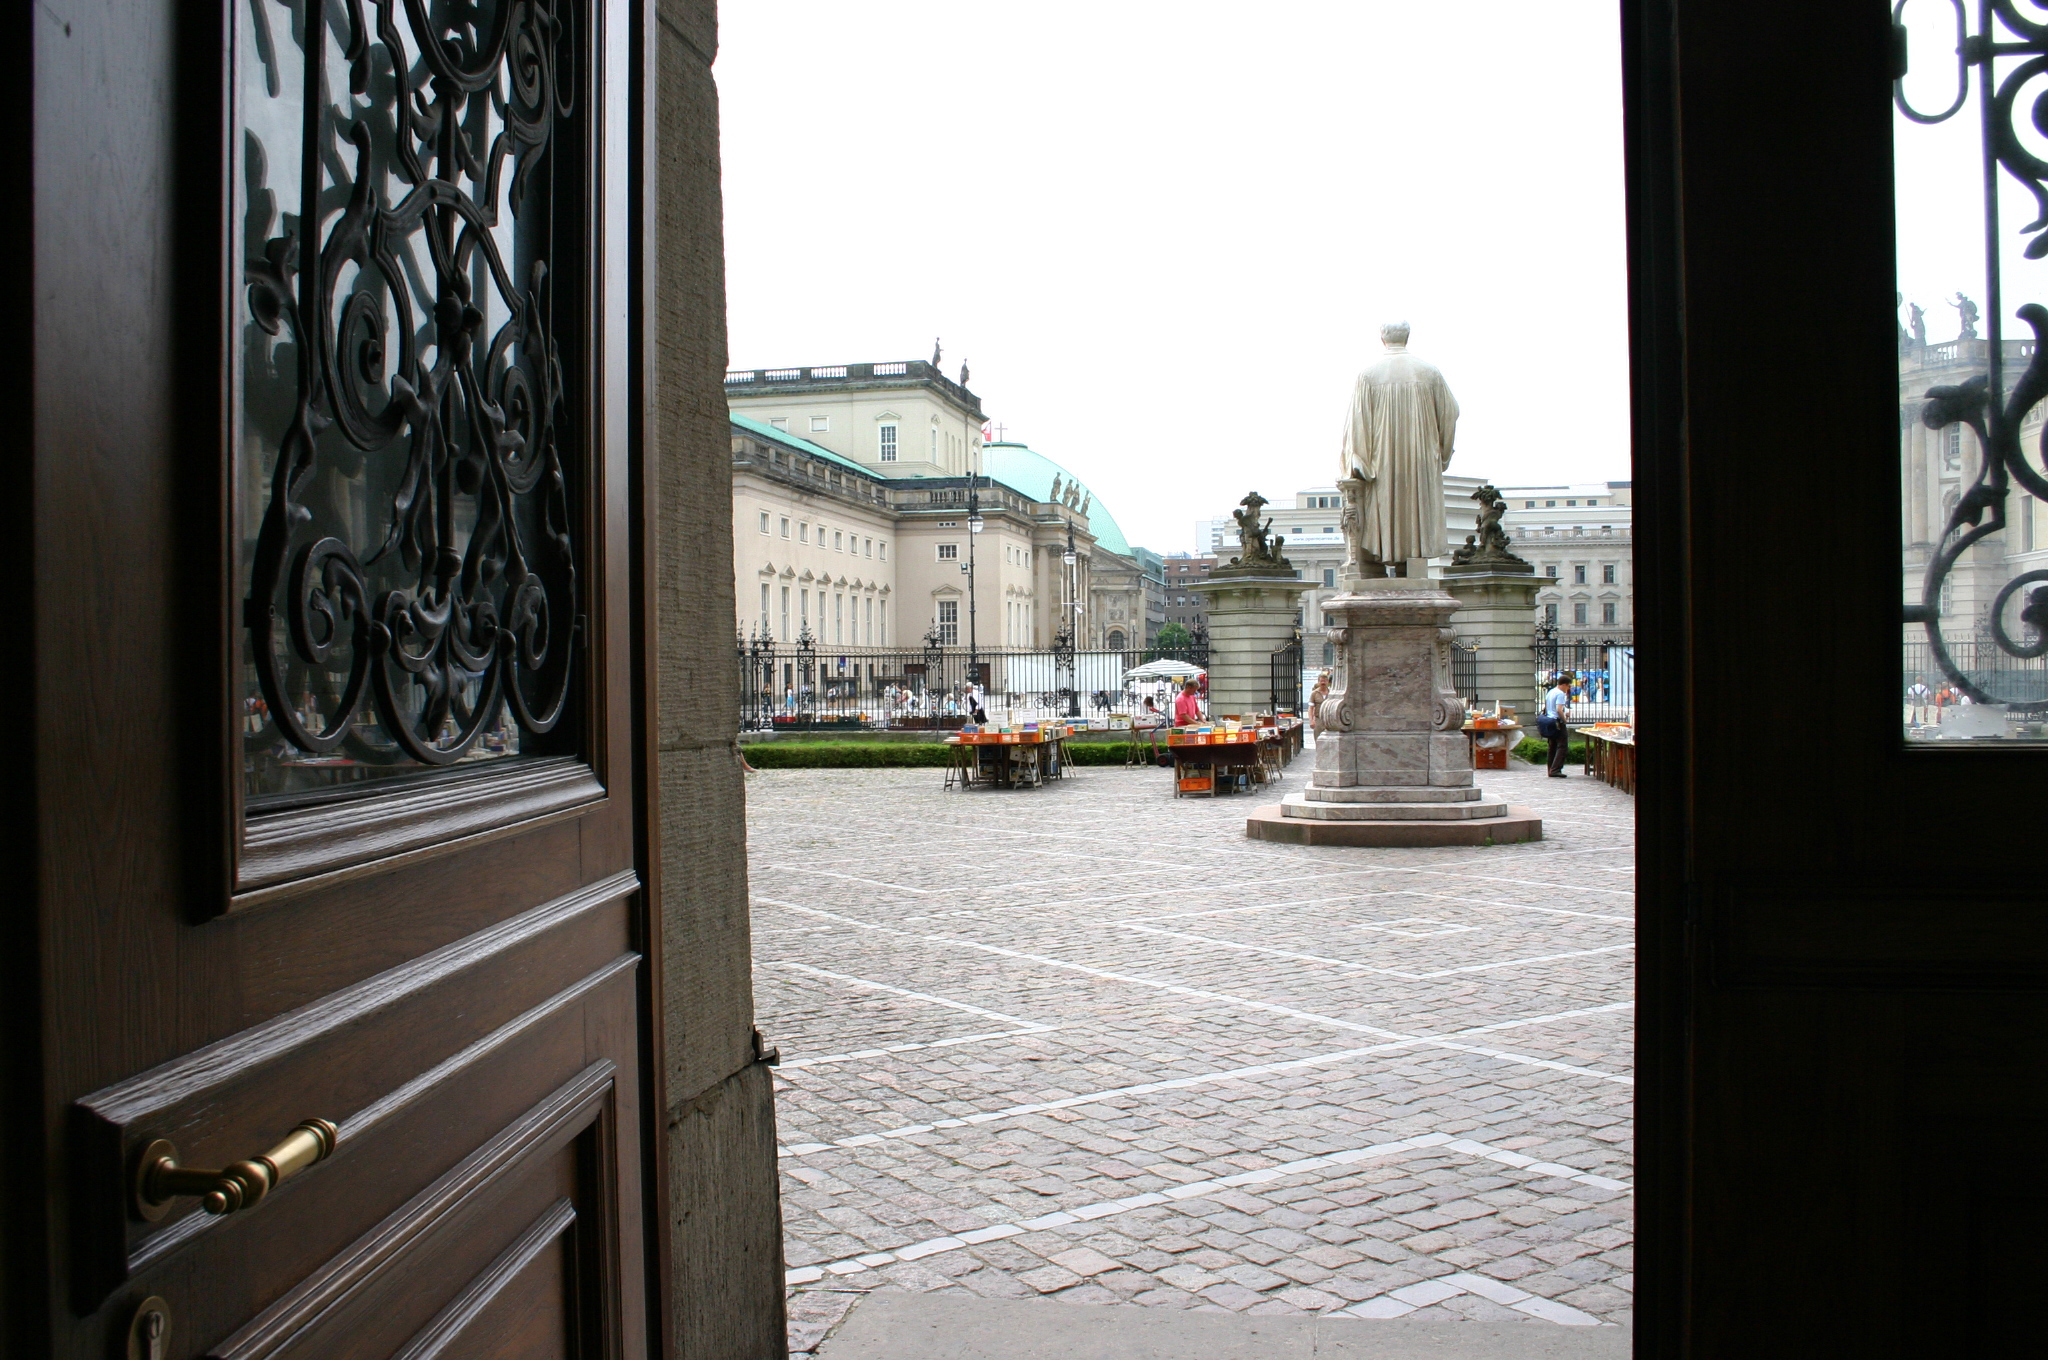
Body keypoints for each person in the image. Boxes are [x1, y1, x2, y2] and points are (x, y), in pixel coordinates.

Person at [1540, 671, 1575, 778]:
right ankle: (1556, 769)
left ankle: (1550, 768)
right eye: (1568, 686)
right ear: (1564, 684)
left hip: (1549, 720)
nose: (1568, 688)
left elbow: (1547, 707)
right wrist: (1565, 720)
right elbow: (1559, 709)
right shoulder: (1560, 693)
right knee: (1562, 746)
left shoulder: (1551, 692)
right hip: (1557, 722)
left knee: (1552, 746)